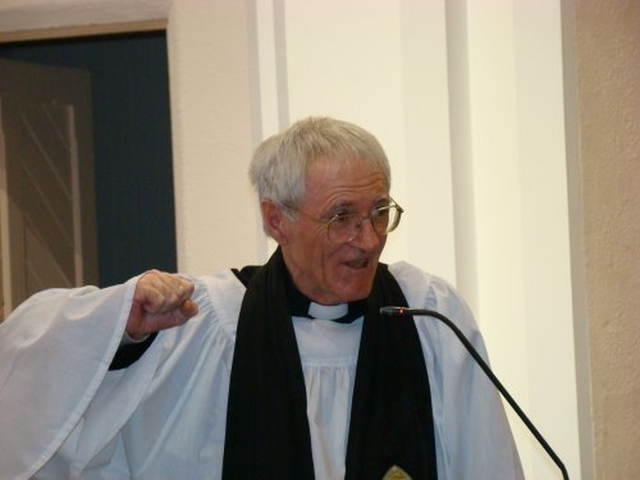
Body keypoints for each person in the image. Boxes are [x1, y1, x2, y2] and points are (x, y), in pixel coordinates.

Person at [0, 117, 523, 479]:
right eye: (341, 217)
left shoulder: (428, 313)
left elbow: (488, 462)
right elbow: (36, 374)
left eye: (379, 212)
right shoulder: (206, 323)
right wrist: (126, 327)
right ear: (276, 219)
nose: (368, 239)